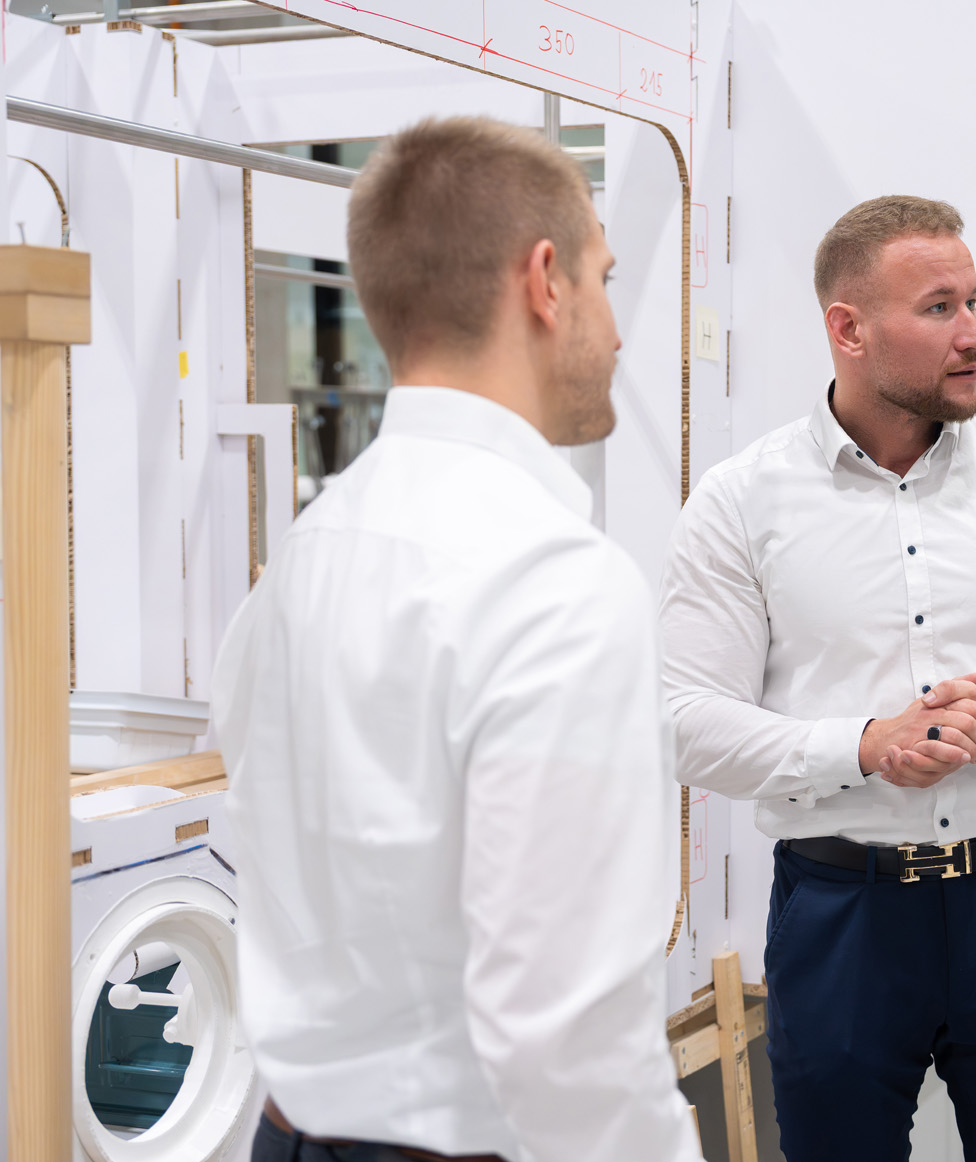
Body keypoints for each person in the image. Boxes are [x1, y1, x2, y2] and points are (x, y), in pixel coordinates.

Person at [213, 117, 701, 1162]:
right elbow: (563, 1031)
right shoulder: (557, 584)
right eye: (605, 278)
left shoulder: (308, 551)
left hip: (288, 1134)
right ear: (544, 282)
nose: (618, 330)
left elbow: (250, 807)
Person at [657, 195, 976, 1160]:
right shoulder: (740, 502)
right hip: (844, 915)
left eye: (972, 303)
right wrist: (863, 747)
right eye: (939, 309)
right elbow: (686, 721)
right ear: (847, 329)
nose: (974, 336)